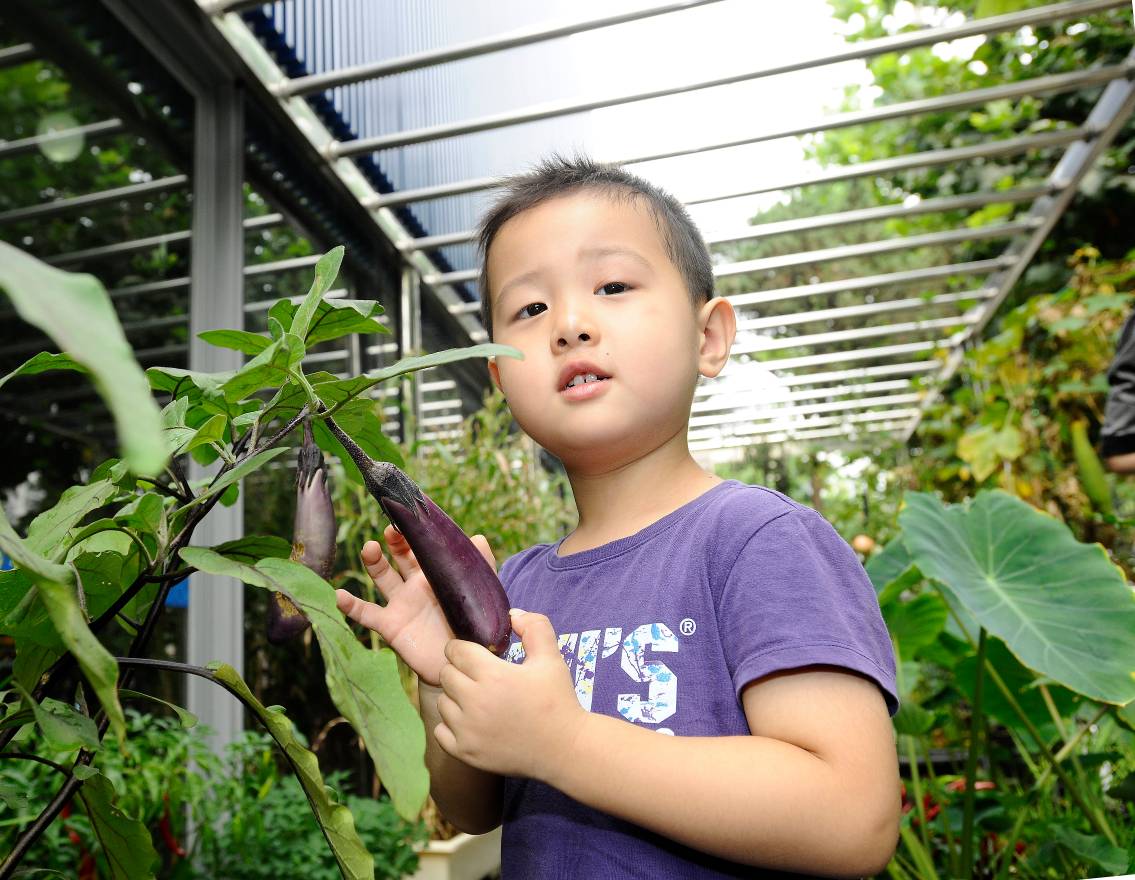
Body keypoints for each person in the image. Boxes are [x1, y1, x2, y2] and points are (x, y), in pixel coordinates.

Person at [335, 154, 901, 879]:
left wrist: (563, 743)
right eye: (530, 308)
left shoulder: (756, 541)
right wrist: (445, 673)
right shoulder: (514, 584)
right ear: (502, 381)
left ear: (708, 338)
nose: (568, 324)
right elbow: (475, 808)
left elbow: (851, 818)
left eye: (611, 286)